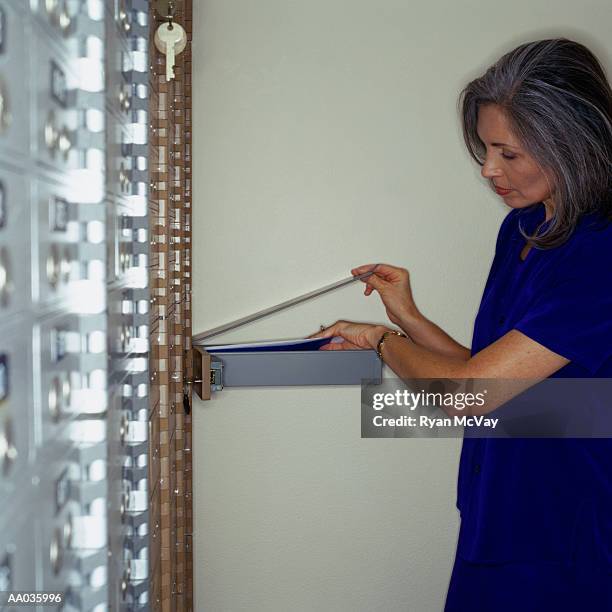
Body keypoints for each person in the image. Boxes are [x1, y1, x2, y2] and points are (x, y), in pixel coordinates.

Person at [311, 38, 612, 611]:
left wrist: (381, 342)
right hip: (498, 511)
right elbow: (490, 373)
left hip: (570, 528)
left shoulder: (600, 253)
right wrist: (407, 317)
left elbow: (470, 395)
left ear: (572, 144)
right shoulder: (525, 229)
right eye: (485, 148)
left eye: (509, 153)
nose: (488, 169)